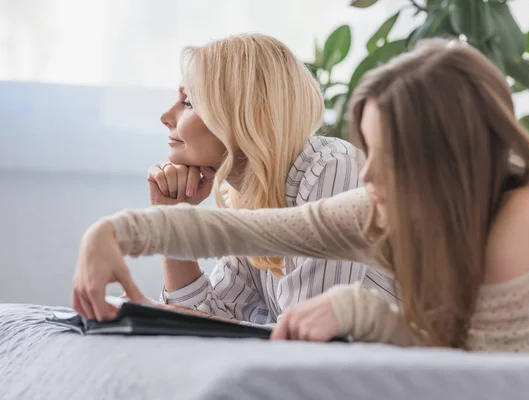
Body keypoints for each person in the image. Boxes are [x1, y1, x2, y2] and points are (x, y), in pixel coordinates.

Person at [73, 38, 529, 354]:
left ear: (442, 156)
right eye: (366, 147)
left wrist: (358, 312)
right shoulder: (392, 199)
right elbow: (248, 231)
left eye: (385, 154)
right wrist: (120, 231)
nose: (365, 171)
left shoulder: (526, 219)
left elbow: (467, 366)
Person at [75, 33, 396, 325]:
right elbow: (206, 315)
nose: (166, 116)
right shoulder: (249, 196)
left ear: (242, 113)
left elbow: (307, 335)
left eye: (188, 102)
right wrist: (172, 213)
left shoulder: (331, 168)